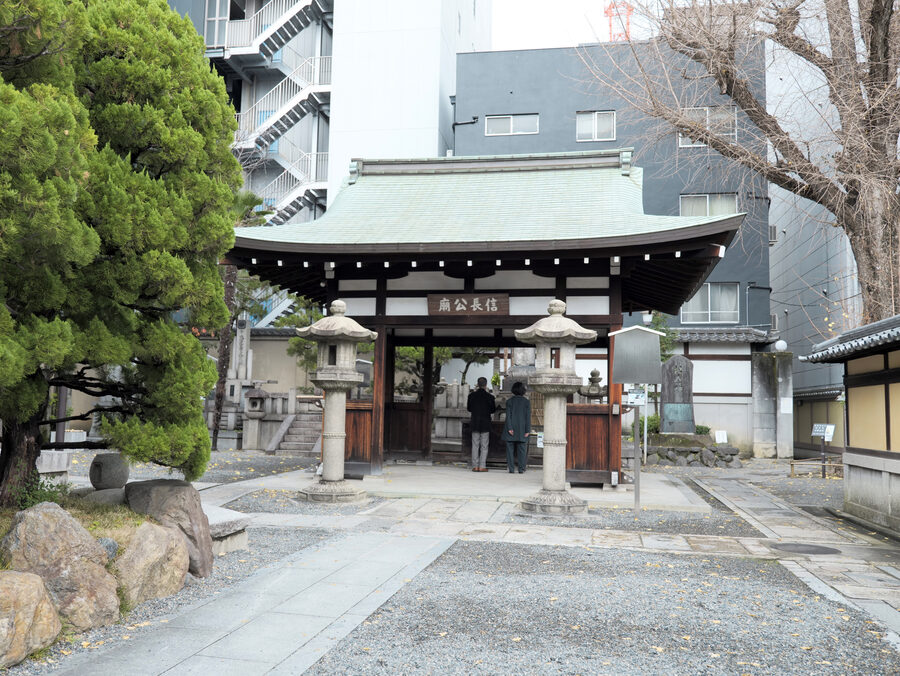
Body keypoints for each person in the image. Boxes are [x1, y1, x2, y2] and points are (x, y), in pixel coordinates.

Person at [467, 376, 496, 472]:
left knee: (475, 445)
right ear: (486, 385)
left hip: (475, 422)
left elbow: (469, 409)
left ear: (478, 384)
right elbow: (493, 410)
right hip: (485, 423)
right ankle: (482, 466)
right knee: (484, 445)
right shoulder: (490, 397)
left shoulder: (471, 396)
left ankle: (475, 466)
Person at [504, 381, 531, 473]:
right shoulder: (526, 402)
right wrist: (527, 430)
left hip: (510, 427)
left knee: (509, 450)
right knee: (522, 450)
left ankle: (511, 469)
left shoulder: (509, 401)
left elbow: (508, 416)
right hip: (522, 428)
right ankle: (521, 469)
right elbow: (528, 417)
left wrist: (510, 428)